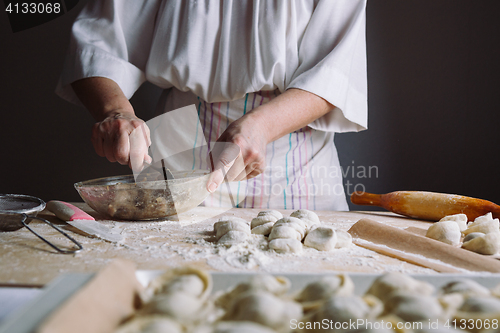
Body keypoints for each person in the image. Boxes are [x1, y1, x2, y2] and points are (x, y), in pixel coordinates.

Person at [56, 0, 368, 211]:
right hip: (180, 146)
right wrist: (116, 112)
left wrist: (260, 126)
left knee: (304, 294)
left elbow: (335, 71)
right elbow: (98, 42)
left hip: (292, 156)